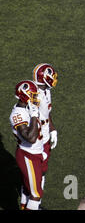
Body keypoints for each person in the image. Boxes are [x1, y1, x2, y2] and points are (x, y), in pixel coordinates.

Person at [10, 80, 45, 210]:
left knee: (29, 188)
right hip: (28, 155)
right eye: (33, 95)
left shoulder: (27, 108)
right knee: (36, 194)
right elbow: (31, 138)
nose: (35, 97)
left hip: (35, 153)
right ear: (25, 95)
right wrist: (34, 116)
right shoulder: (17, 114)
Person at [32, 63, 58, 198]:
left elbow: (47, 112)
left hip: (46, 136)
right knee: (35, 175)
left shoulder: (46, 90)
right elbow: (32, 118)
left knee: (42, 172)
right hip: (37, 140)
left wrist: (52, 128)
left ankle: (37, 203)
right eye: (51, 76)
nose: (54, 79)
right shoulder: (35, 96)